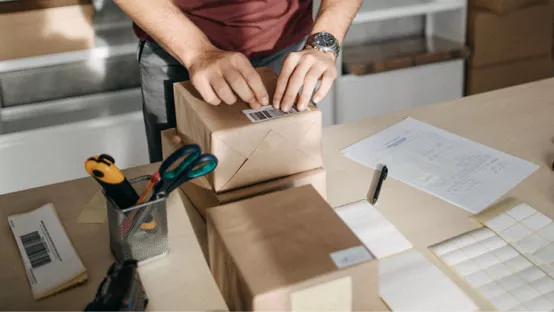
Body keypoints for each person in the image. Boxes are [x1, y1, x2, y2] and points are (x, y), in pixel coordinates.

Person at [114, 0, 363, 163]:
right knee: (180, 194)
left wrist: (323, 42)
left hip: (289, 50)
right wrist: (198, 52)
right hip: (178, 51)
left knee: (285, 182)